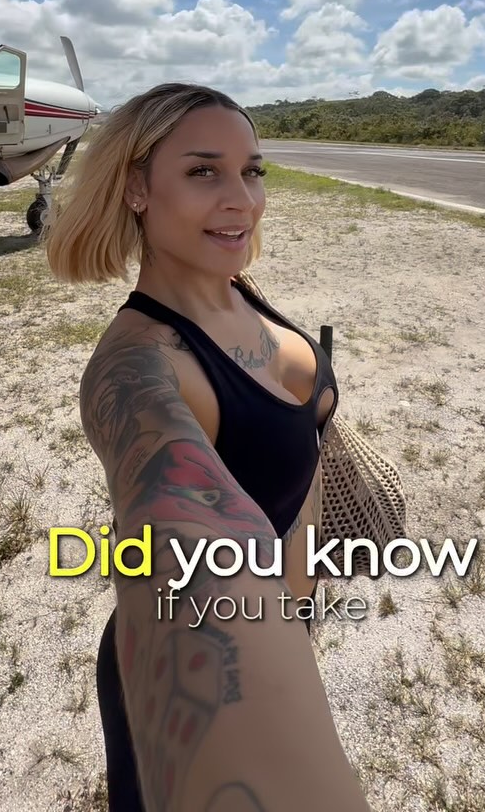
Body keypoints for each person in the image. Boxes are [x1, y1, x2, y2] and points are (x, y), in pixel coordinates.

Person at [44, 83, 372, 812]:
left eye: (252, 171)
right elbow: (184, 543)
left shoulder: (231, 284)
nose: (243, 200)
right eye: (203, 171)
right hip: (194, 669)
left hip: (295, 621)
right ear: (136, 187)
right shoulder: (137, 370)